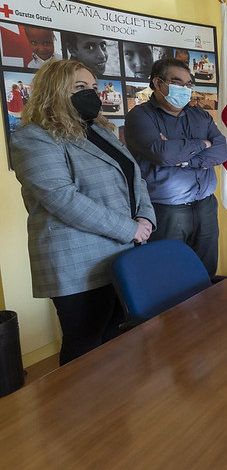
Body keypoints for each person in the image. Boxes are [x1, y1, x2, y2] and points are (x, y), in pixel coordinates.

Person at [10, 59, 155, 365]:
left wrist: (145, 217)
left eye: (92, 87)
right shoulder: (33, 137)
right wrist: (129, 228)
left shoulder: (99, 130)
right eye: (79, 87)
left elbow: (134, 176)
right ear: (55, 90)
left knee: (116, 336)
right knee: (86, 347)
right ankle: (77, 412)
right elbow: (62, 198)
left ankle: (114, 408)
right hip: (77, 260)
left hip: (121, 253)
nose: (90, 93)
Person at [124, 58, 227, 279]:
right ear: (158, 83)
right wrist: (202, 144)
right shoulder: (139, 117)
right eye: (177, 82)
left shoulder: (199, 115)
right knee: (170, 278)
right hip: (167, 212)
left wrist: (185, 159)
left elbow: (221, 152)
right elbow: (163, 154)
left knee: (206, 273)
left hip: (205, 206)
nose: (185, 89)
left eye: (188, 84)